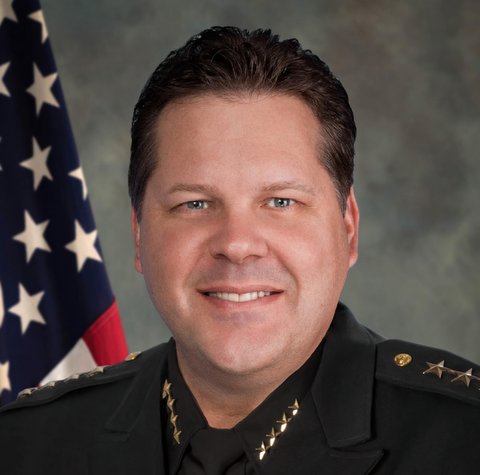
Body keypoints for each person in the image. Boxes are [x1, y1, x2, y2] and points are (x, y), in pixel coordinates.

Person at [1, 26, 479, 474]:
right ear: (140, 235)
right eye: (195, 203)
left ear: (348, 228)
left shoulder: (464, 440)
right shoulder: (25, 444)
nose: (236, 244)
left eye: (281, 201)